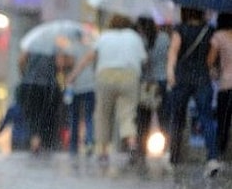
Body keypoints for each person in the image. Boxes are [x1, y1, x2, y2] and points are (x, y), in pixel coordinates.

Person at [67, 14, 147, 166]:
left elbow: (89, 57)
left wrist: (73, 75)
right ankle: (131, 143)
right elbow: (144, 59)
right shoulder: (134, 37)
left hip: (105, 75)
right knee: (127, 113)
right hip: (129, 76)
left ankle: (103, 150)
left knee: (103, 113)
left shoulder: (104, 37)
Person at [167, 7, 219, 177]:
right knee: (206, 118)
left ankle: (174, 157)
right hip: (202, 78)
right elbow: (210, 59)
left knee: (177, 118)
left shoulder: (180, 29)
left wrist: (170, 73)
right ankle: (212, 158)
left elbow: (173, 53)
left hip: (182, 78)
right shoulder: (210, 30)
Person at [135, 17, 171, 164]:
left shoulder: (141, 41)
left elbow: (140, 62)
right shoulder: (164, 38)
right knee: (164, 119)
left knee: (143, 121)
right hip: (162, 81)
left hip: (145, 84)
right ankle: (166, 150)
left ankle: (141, 151)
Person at [17, 49, 61, 154]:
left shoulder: (32, 44)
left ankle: (34, 141)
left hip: (30, 83)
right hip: (49, 84)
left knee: (32, 114)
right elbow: (60, 63)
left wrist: (25, 74)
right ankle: (42, 142)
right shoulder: (53, 45)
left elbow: (21, 60)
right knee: (46, 115)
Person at [60, 30, 96, 157]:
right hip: (91, 85)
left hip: (75, 87)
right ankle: (89, 141)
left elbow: (67, 64)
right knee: (89, 117)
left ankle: (73, 146)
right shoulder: (89, 47)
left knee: (74, 117)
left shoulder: (70, 49)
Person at [207, 12, 232, 160]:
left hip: (226, 84)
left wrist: (215, 71)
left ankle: (219, 154)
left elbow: (210, 60)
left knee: (223, 121)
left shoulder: (219, 36)